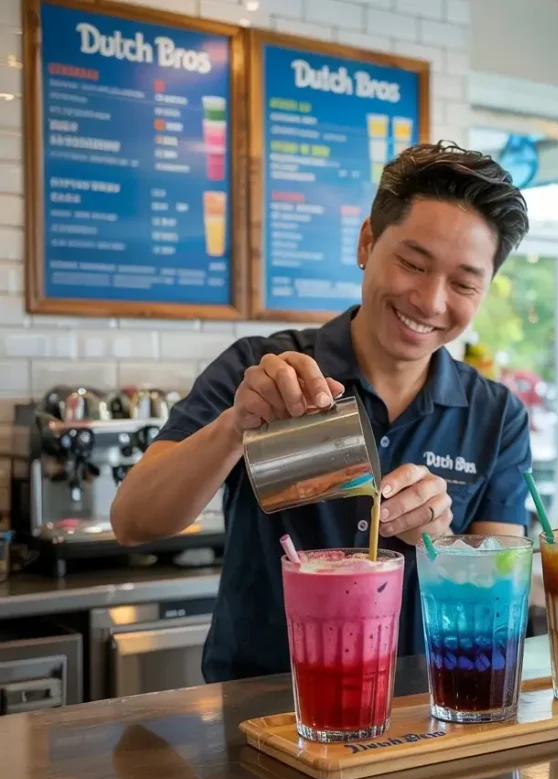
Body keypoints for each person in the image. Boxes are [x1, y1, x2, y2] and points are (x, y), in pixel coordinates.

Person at [110, 142, 532, 683]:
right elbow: (134, 521)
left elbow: (497, 605)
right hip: (258, 710)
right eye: (412, 263)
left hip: (417, 713)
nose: (430, 301)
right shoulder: (260, 370)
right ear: (366, 242)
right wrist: (234, 429)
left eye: (463, 284)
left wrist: (444, 541)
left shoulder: (495, 415)